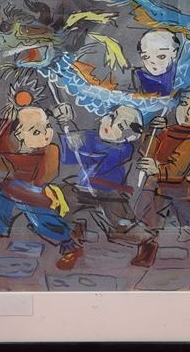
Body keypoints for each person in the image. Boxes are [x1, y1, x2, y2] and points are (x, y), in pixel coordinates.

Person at [0, 96, 83, 271]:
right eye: (36, 131)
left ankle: (70, 246)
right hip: (15, 190)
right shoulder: (16, 149)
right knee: (0, 195)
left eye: (48, 126)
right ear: (19, 135)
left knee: (43, 222)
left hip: (37, 194)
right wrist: (6, 123)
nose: (46, 133)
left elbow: (25, 168)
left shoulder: (50, 150)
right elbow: (1, 148)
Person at [132, 89, 190, 267]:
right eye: (184, 103)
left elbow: (178, 168)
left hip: (179, 190)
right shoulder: (167, 131)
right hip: (156, 186)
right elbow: (149, 151)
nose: (187, 112)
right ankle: (146, 253)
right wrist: (153, 133)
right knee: (149, 221)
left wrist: (157, 168)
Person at [51, 103, 153, 246]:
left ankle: (138, 236)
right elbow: (72, 145)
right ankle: (76, 229)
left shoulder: (123, 149)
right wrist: (65, 122)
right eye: (112, 116)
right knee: (62, 197)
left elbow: (94, 157)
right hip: (84, 189)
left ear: (131, 136)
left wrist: (76, 145)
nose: (110, 124)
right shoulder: (92, 137)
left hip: (110, 192)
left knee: (120, 221)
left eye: (121, 126)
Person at [132, 29, 180, 96]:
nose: (152, 61)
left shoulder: (181, 73)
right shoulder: (139, 74)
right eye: (145, 57)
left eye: (161, 56)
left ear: (174, 53)